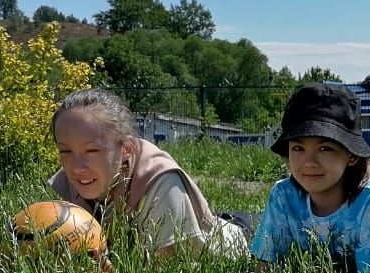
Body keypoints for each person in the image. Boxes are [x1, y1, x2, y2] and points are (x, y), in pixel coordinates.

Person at [250, 84, 370, 273]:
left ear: (351, 156)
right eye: (298, 148)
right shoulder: (283, 195)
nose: (309, 163)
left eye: (325, 149)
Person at [48, 88, 248, 260]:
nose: (77, 167)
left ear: (126, 148)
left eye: (92, 150)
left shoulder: (162, 183)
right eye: (65, 151)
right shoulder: (69, 180)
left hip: (239, 239)